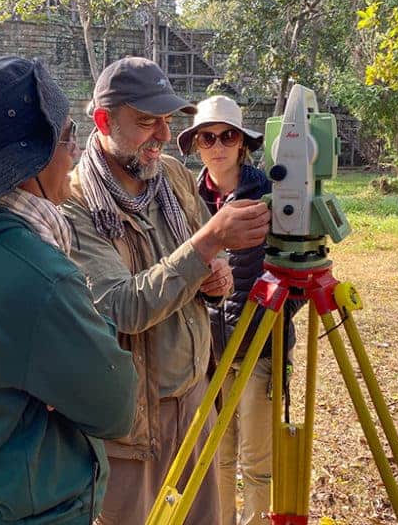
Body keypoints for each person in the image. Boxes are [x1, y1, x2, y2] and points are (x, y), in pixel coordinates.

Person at [0, 56, 138, 524]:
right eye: (67, 136)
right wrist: (93, 325)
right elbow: (116, 406)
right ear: (33, 159)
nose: (74, 153)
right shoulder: (35, 275)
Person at [62, 57, 271, 525]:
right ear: (103, 121)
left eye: (166, 120)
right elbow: (121, 307)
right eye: (145, 121)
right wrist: (210, 242)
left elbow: (198, 267)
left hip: (194, 396)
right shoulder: (74, 203)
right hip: (131, 425)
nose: (160, 133)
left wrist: (213, 279)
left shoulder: (171, 176)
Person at [177, 95, 300, 525]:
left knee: (257, 458)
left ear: (242, 142)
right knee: (218, 455)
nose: (217, 145)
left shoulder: (270, 194)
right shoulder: (184, 198)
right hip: (207, 352)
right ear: (195, 144)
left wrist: (274, 316)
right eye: (206, 137)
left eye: (227, 135)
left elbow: (296, 270)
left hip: (259, 349)